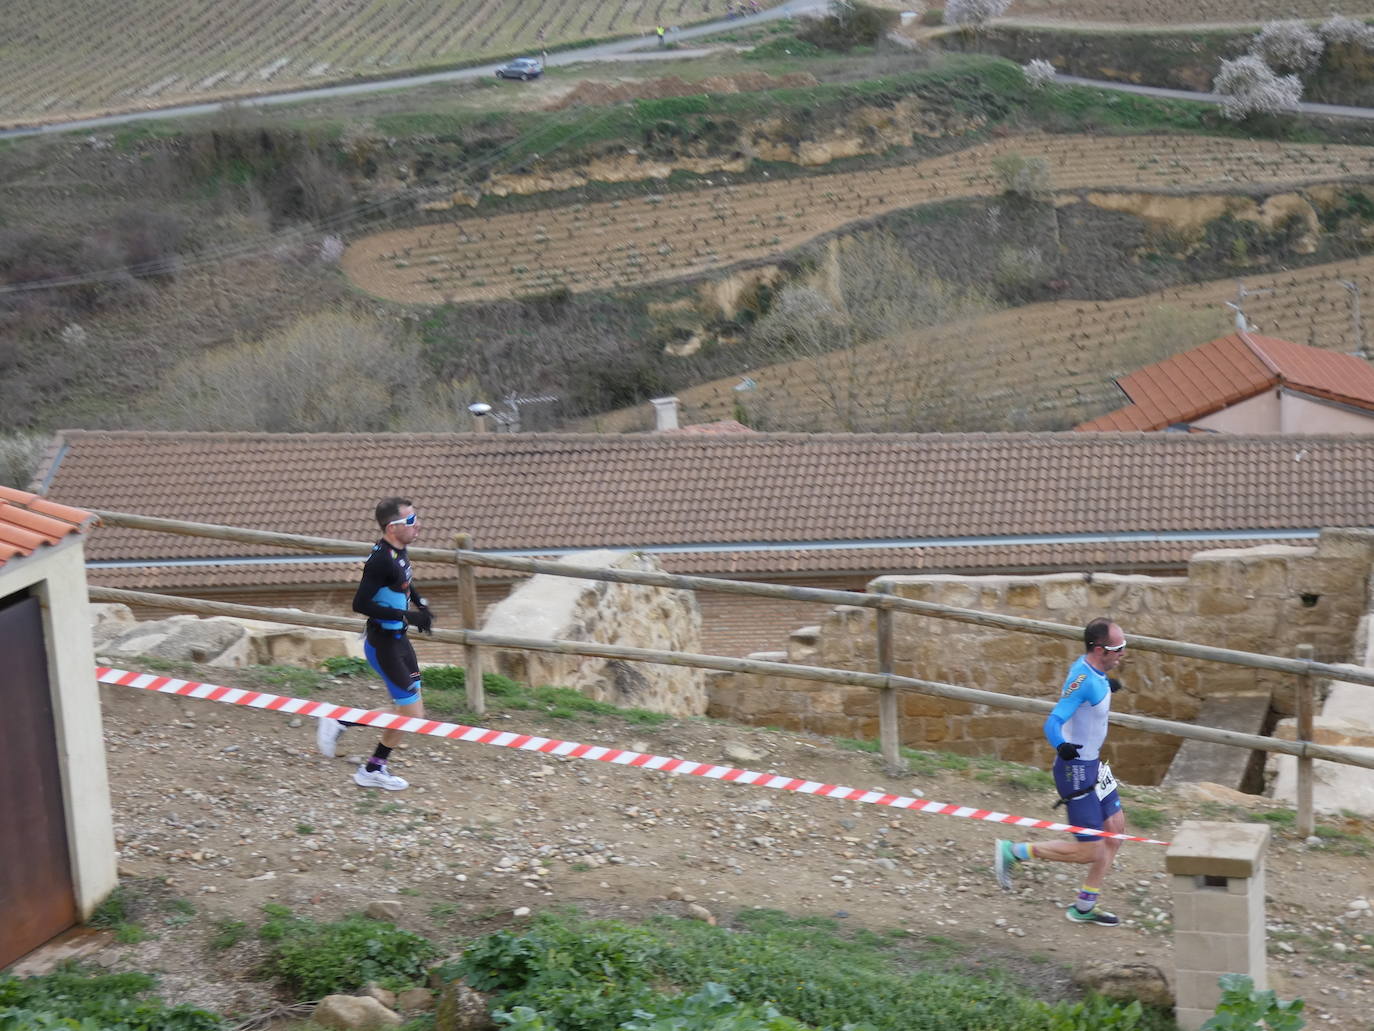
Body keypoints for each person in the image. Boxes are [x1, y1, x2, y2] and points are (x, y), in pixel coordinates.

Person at [994, 617, 1128, 927]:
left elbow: (1091, 687)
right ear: (1099, 649)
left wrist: (1109, 686)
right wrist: (1061, 746)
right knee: (1090, 851)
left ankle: (1084, 906)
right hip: (1076, 770)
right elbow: (1052, 722)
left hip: (1095, 764)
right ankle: (1014, 851)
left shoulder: (1094, 672)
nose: (1123, 653)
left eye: (1124, 646)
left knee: (1116, 831)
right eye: (1117, 648)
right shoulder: (1084, 681)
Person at [316, 497, 434, 790]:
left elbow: (404, 579)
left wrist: (420, 604)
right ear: (392, 527)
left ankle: (372, 769)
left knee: (408, 711)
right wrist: (406, 613)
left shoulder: (399, 551)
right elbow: (361, 603)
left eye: (415, 517)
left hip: (399, 640)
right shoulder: (380, 560)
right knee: (413, 715)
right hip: (384, 645)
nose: (417, 524)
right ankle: (340, 720)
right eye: (410, 520)